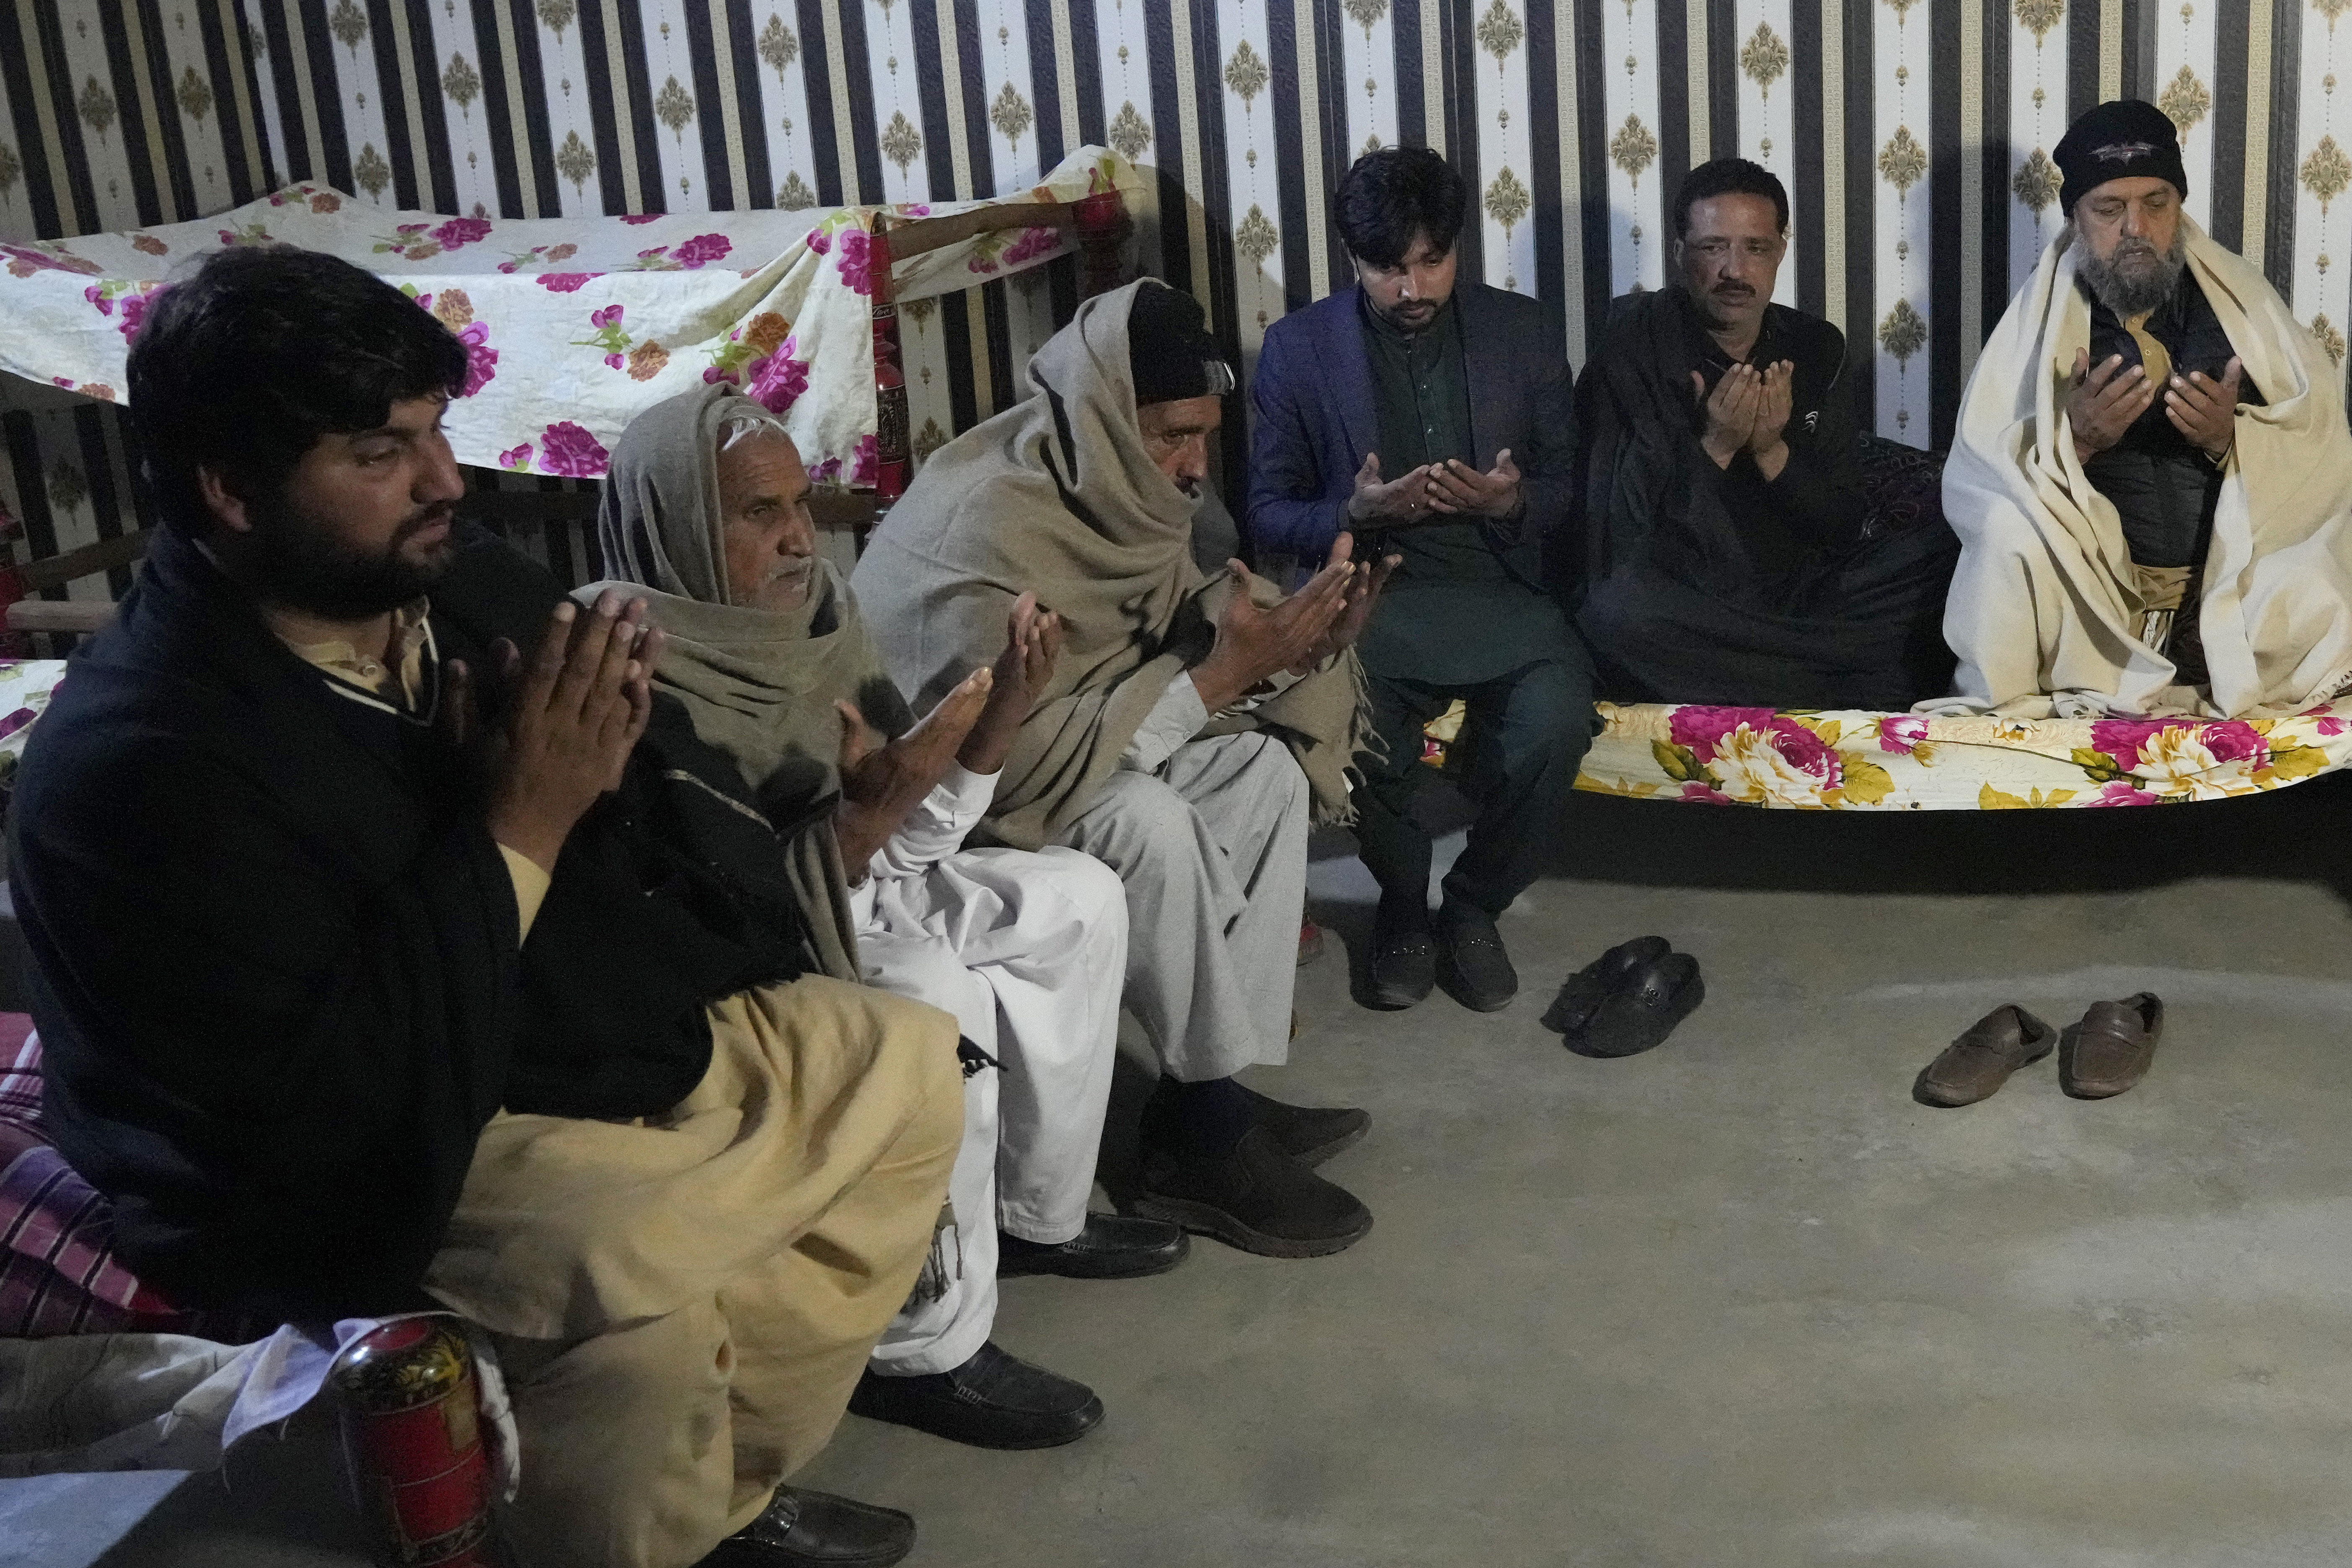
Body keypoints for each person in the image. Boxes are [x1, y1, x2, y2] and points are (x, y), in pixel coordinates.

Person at [11, 247, 964, 1568]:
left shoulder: (465, 590)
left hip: (546, 1030)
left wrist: (592, 795)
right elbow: (331, 1115)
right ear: (231, 491)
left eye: (437, 432)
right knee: (638, 1293)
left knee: (907, 1058)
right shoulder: (141, 764)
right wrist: (514, 822)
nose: (447, 480)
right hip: (328, 1158)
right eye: (380, 451)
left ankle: (716, 1503)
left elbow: (676, 815)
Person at [592, 384, 1185, 1453]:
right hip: (750, 943)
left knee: (1076, 898)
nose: (795, 538)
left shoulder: (818, 619)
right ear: (676, 521)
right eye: (755, 512)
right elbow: (697, 907)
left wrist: (996, 712)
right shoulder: (621, 662)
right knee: (931, 997)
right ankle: (919, 1349)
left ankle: (1033, 1220)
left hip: (854, 881)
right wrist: (866, 825)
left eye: (800, 504)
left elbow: (916, 838)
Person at [852, 279, 1389, 1261]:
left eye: (1204, 436)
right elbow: (999, 759)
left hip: (1078, 755)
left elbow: (1173, 640)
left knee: (1259, 775)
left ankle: (1200, 1105)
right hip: (942, 809)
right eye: (1170, 435)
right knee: (1147, 821)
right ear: (1102, 414)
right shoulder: (986, 521)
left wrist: (1308, 641)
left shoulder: (1127, 492)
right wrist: (1229, 672)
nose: (1192, 467)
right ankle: (1208, 1138)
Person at [1249, 146, 1593, 1014]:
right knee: (1349, 727)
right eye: (1386, 270)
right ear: (1353, 262)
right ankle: (1403, 903)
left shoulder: (1523, 330)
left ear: (1457, 249)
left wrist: (1507, 501)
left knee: (1553, 724)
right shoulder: (1298, 350)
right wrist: (1356, 512)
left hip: (1503, 591)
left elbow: (1568, 490)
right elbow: (1264, 511)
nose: (1411, 290)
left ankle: (1474, 904)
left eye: (1429, 263)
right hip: (1369, 596)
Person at [1938, 98, 2352, 717]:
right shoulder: (2038, 328)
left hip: (2227, 582)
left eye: (2155, 204)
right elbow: (1980, 477)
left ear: (2177, 206)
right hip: (2094, 594)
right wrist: (2073, 441)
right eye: (2109, 209)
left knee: (2310, 581)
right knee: (2004, 538)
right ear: (2074, 217)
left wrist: (2229, 440)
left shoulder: (2242, 307)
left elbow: (2317, 445)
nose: (2135, 228)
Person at [1572, 156, 1960, 711]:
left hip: (1801, 597)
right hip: (1689, 600)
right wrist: (1718, 446)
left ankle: (1780, 676)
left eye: (1755, 248)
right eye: (1712, 248)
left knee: (1953, 551)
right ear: (1679, 254)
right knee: (1612, 615)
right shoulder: (1631, 350)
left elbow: (1843, 524)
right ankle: (1840, 682)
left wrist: (1770, 450)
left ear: (1779, 251)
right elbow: (1620, 541)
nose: (1734, 270)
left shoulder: (1813, 346)